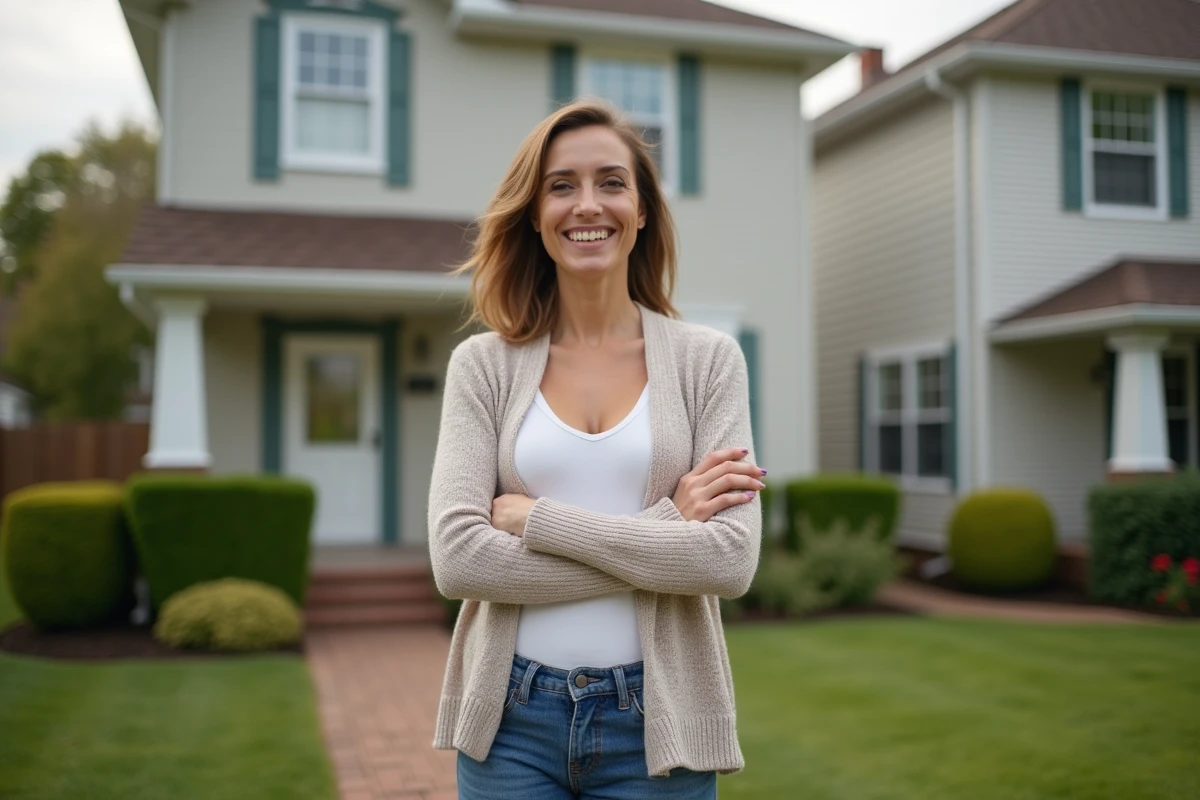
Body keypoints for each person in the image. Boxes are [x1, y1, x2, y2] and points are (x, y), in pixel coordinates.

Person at [428, 100, 764, 800]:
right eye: (561, 185)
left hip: (658, 722)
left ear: (642, 210)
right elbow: (458, 558)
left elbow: (730, 559)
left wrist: (537, 522)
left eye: (612, 182)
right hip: (510, 721)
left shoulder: (709, 363)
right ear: (534, 212)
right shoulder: (482, 366)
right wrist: (666, 533)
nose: (589, 204)